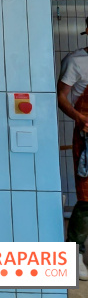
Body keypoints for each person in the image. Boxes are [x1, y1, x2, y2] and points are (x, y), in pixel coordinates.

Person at [57, 20, 88, 281]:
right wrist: (79, 117)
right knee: (87, 200)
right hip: (87, 136)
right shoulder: (76, 61)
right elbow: (61, 97)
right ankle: (74, 254)